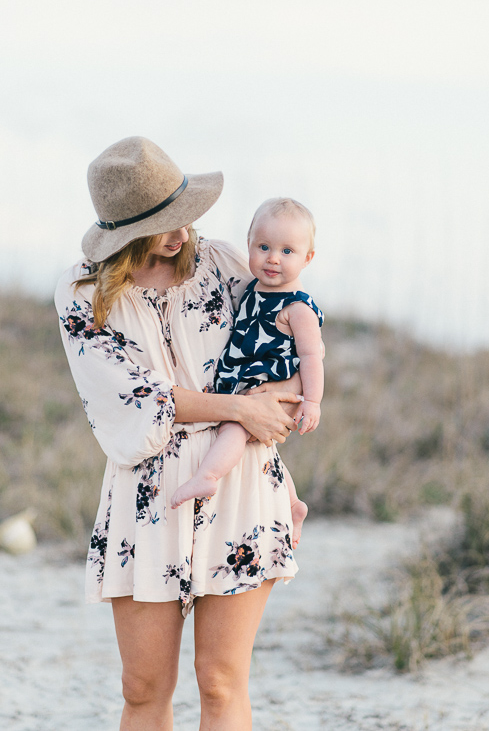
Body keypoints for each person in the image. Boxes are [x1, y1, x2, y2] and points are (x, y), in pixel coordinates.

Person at [55, 136, 305, 731]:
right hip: (145, 496)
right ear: (122, 231)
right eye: (165, 224)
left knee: (221, 683)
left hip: (240, 483)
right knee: (143, 688)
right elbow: (136, 400)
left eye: (184, 216)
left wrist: (276, 402)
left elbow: (288, 343)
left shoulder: (223, 264)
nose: (183, 233)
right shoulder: (83, 296)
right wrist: (238, 408)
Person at [171, 197, 324, 553]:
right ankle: (292, 503)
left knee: (235, 427)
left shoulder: (297, 307)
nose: (273, 258)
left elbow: (313, 355)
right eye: (264, 246)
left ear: (308, 258)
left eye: (288, 251)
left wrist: (311, 401)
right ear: (249, 246)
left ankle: (207, 477)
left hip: (267, 387)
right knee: (263, 446)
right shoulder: (252, 288)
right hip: (246, 383)